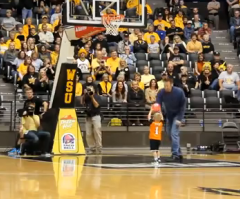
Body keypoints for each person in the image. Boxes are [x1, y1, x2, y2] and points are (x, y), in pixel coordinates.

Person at [156, 78, 186, 162]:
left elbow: (183, 106)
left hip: (177, 115)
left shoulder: (179, 92)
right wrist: (158, 112)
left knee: (174, 133)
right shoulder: (162, 92)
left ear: (171, 85)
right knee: (170, 134)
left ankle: (175, 154)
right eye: (165, 85)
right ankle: (179, 153)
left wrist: (180, 119)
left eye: (167, 86)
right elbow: (158, 102)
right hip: (169, 116)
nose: (166, 87)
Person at [81, 86, 102, 154]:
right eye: (88, 89)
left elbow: (96, 105)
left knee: (97, 132)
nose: (89, 91)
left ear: (94, 90)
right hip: (88, 116)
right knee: (88, 133)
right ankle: (92, 147)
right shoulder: (86, 97)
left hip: (96, 115)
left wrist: (92, 97)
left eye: (90, 89)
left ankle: (99, 147)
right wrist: (84, 94)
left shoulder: (97, 96)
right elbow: (82, 103)